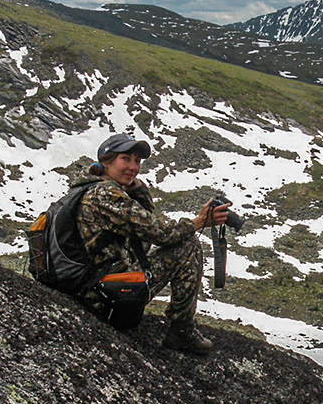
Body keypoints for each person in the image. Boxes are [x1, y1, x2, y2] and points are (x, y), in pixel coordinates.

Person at [72, 132, 230, 354]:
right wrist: (199, 222)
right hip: (99, 297)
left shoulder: (91, 187)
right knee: (188, 246)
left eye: (137, 161)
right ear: (106, 162)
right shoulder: (104, 194)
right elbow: (159, 232)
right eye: (125, 159)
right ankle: (182, 330)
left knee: (153, 245)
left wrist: (136, 187)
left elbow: (143, 223)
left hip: (89, 286)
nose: (133, 167)